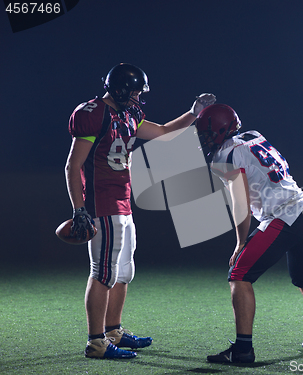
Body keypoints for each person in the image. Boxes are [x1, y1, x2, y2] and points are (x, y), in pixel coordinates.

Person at [65, 62, 216, 359]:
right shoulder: (94, 114)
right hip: (102, 202)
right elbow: (73, 165)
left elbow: (162, 132)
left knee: (124, 272)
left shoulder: (129, 113)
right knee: (103, 273)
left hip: (122, 202)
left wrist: (193, 113)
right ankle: (96, 342)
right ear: (120, 90)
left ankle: (113, 331)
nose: (138, 98)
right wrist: (79, 208)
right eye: (134, 92)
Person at [193, 104, 303, 364]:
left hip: (285, 215)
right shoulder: (253, 136)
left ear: (219, 130)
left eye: (206, 133)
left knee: (239, 274)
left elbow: (241, 206)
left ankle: (243, 350)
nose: (203, 139)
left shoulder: (225, 155)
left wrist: (240, 243)